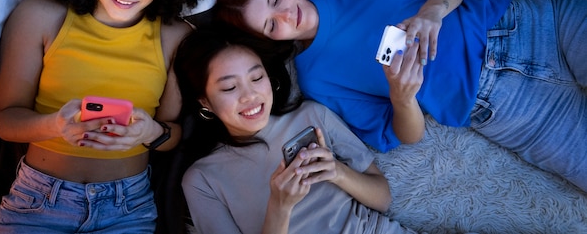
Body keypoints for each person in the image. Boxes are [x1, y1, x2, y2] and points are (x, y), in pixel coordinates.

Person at [213, 0, 587, 193]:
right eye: (271, 26)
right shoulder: (316, 80)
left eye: (275, 0)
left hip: (530, 26)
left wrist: (432, 12)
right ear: (268, 42)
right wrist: (402, 97)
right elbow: (405, 136)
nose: (285, 15)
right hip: (505, 107)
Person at [0, 0, 223, 233]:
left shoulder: (175, 36)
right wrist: (55, 125)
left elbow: (171, 132)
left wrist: (148, 132)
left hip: (129, 207)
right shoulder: (39, 16)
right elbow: (6, 121)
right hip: (39, 201)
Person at [173, 27, 424, 234]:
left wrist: (337, 172)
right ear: (204, 101)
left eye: (257, 78)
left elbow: (383, 198)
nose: (250, 96)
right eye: (229, 88)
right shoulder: (202, 180)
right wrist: (279, 207)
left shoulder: (312, 115)